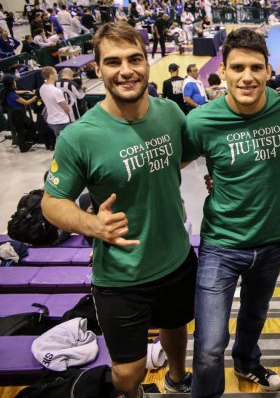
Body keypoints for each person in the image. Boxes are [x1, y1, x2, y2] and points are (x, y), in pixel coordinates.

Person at [41, 22, 195, 398]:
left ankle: (177, 379)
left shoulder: (170, 113)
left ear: (147, 62)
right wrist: (91, 224)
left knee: (176, 329)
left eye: (134, 59)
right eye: (113, 62)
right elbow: (51, 202)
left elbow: (181, 158)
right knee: (128, 372)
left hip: (176, 258)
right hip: (121, 276)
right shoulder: (80, 136)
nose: (126, 70)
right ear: (98, 69)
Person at [184, 28, 280, 397]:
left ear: (268, 70)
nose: (247, 77)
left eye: (255, 67)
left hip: (271, 240)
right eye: (237, 68)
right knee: (208, 347)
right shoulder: (202, 121)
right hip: (221, 243)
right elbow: (169, 166)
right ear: (223, 71)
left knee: (255, 315)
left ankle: (247, 362)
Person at [1, 75, 37, 152]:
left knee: (27, 127)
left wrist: (26, 91)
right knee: (22, 131)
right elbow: (26, 102)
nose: (15, 82)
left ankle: (26, 142)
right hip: (18, 115)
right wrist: (36, 96)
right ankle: (24, 147)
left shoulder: (5, 91)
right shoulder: (12, 95)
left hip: (13, 115)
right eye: (14, 81)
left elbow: (16, 92)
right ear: (11, 83)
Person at [39, 66, 71, 138]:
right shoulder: (56, 91)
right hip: (61, 121)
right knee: (66, 141)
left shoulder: (42, 88)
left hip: (51, 120)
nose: (57, 75)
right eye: (55, 73)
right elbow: (66, 108)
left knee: (59, 139)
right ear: (51, 76)